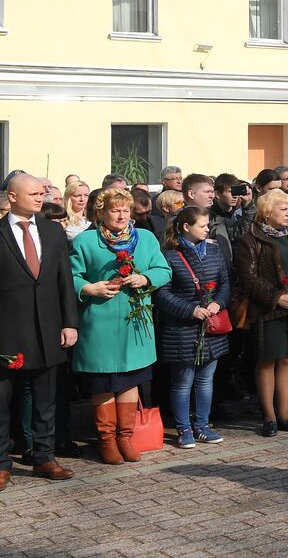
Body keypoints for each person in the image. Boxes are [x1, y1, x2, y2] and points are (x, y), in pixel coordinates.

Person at [70, 186, 173, 464]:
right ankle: (106, 441)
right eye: (114, 210)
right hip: (98, 323)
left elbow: (164, 270)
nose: (121, 215)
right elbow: (70, 277)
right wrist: (90, 288)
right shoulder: (85, 241)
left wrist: (146, 279)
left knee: (130, 380)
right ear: (100, 212)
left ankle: (125, 437)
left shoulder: (147, 239)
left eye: (125, 210)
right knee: (103, 381)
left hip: (135, 322)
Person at [0, 174, 80, 488]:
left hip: (48, 330)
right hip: (8, 331)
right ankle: (2, 463)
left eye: (42, 192)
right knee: (3, 401)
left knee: (46, 399)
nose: (40, 197)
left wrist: (69, 322)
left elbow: (65, 280)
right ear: (13, 197)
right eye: (33, 193)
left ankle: (44, 457)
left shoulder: (51, 231)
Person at [235, 189, 288, 437]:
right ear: (267, 212)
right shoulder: (251, 238)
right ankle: (269, 416)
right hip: (268, 309)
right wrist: (277, 297)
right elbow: (248, 278)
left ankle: (284, 415)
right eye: (283, 209)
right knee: (267, 360)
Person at [154, 205, 232, 448]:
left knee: (206, 379)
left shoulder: (214, 251)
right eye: (203, 225)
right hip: (181, 329)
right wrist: (190, 310)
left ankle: (202, 425)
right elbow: (162, 293)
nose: (208, 229)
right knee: (183, 380)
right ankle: (183, 428)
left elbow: (225, 282)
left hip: (211, 328)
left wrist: (218, 303)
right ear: (186, 227)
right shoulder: (168, 255)